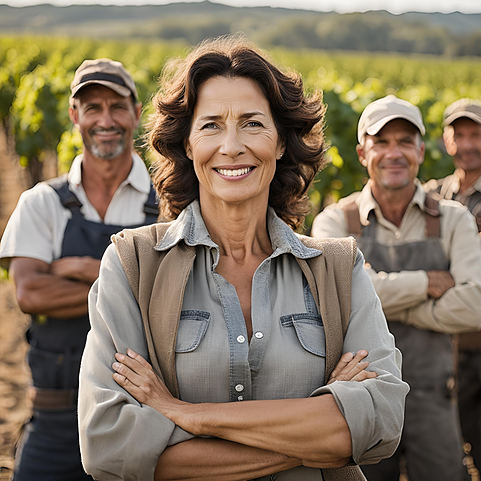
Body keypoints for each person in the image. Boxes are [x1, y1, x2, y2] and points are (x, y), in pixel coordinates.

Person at [78, 37, 409, 481]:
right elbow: (109, 446)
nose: (232, 146)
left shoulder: (338, 268)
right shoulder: (133, 264)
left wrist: (188, 416)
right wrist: (319, 431)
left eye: (252, 124)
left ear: (280, 144)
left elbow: (381, 423)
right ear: (188, 144)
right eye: (211, 125)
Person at [311, 95, 481, 481]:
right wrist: (428, 283)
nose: (394, 153)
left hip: (434, 395)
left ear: (421, 151)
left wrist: (370, 298)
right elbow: (334, 304)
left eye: (405, 142)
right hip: (361, 397)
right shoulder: (333, 224)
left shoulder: (454, 219)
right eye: (382, 142)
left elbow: (473, 308)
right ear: (362, 152)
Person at [0, 58, 158, 481]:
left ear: (136, 112)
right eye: (92, 108)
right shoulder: (41, 203)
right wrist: (133, 282)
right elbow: (30, 294)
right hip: (56, 418)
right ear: (75, 115)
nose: (106, 120)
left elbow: (177, 299)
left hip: (147, 417)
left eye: (117, 106)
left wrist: (89, 268)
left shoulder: (169, 205)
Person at [425, 98, 481, 480]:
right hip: (451, 340)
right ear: (446, 142)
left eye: (476, 134)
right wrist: (478, 242)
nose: (467, 143)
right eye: (459, 134)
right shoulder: (434, 193)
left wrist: (450, 246)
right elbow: (415, 249)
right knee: (464, 431)